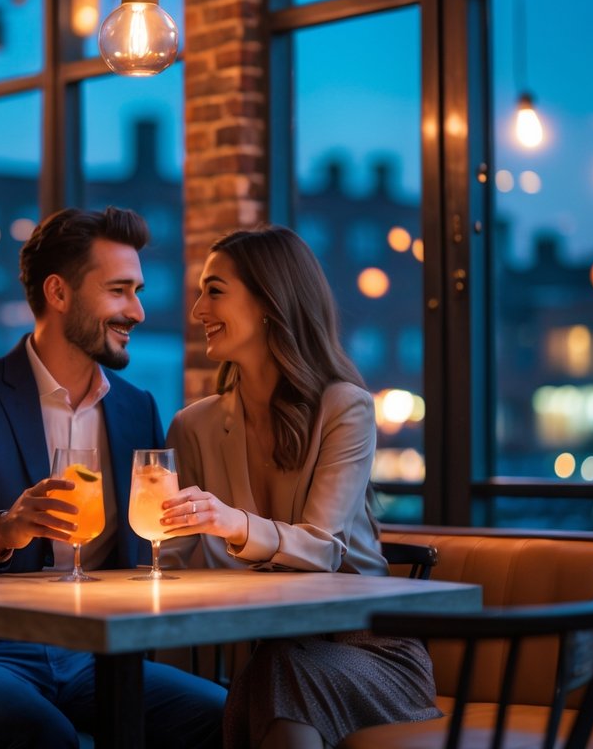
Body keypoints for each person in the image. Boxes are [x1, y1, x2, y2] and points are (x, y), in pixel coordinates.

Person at [0, 207, 226, 749]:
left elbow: (153, 546)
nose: (137, 311)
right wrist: (2, 530)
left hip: (91, 654)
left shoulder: (137, 409)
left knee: (224, 716)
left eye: (137, 291)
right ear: (58, 292)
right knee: (41, 734)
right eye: (119, 291)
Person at [159, 226, 440, 749]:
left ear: (270, 302)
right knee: (266, 674)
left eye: (214, 291)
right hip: (267, 652)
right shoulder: (192, 427)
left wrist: (232, 523)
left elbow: (323, 549)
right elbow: (169, 566)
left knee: (276, 675)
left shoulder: (345, 408)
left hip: (369, 650)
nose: (198, 310)